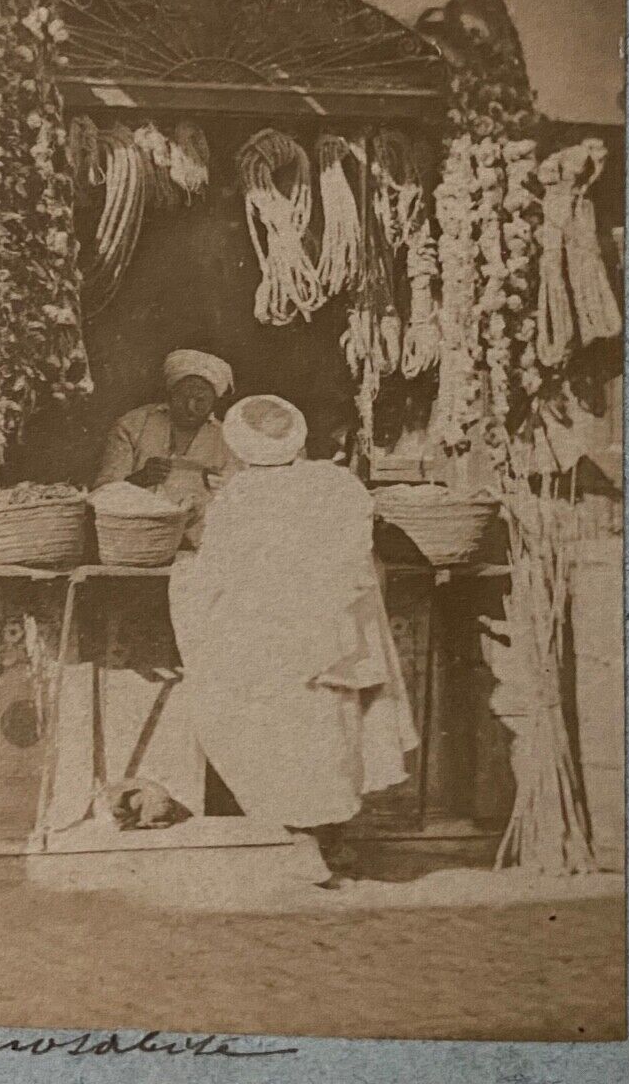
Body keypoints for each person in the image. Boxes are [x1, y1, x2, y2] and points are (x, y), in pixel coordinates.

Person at [167, 394, 419, 886]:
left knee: (286, 738)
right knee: (336, 732)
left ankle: (308, 846)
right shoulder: (337, 484)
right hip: (335, 640)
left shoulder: (239, 499)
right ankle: (335, 840)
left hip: (275, 642)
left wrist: (184, 576)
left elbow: (217, 574)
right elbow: (359, 555)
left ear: (240, 446)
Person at [94, 349, 240, 544]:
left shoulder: (227, 440)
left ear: (214, 401)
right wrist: (139, 479)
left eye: (201, 400)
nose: (190, 407)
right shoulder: (133, 425)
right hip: (132, 539)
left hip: (200, 544)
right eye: (183, 397)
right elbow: (102, 494)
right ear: (170, 395)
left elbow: (237, 503)